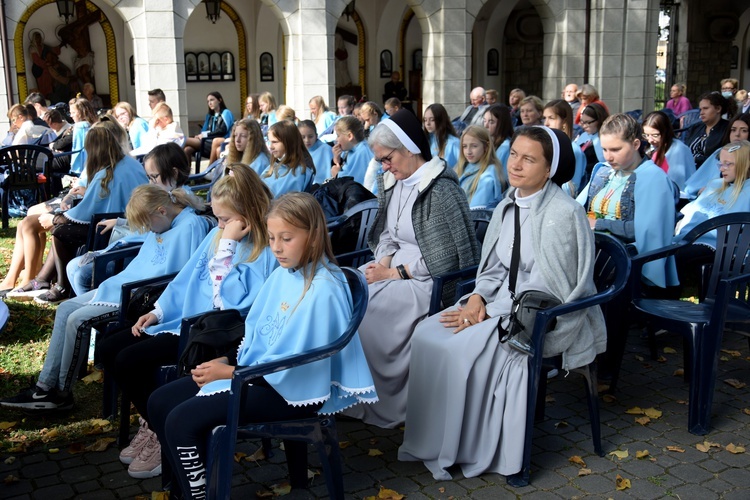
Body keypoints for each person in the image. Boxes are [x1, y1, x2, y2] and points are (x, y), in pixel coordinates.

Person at [398, 125, 604, 480]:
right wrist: (477, 297)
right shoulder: (508, 204)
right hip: (495, 302)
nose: (517, 164)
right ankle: (434, 440)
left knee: (458, 349)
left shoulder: (563, 213)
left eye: (530, 159)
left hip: (537, 315)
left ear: (550, 168)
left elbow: (556, 288)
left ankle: (467, 448)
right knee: (426, 334)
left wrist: (492, 313)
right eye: (515, 154)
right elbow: (492, 267)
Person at [147, 192, 377, 498]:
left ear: (314, 236)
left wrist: (229, 373)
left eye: (286, 238)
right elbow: (259, 337)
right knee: (160, 401)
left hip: (292, 391)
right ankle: (184, 489)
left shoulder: (325, 288)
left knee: (181, 420)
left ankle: (199, 495)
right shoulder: (285, 274)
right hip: (257, 376)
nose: (277, 248)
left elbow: (296, 363)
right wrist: (227, 361)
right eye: (271, 238)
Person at [100, 166, 279, 479]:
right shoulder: (216, 235)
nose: (219, 225)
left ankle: (159, 430)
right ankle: (153, 424)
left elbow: (230, 304)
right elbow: (185, 281)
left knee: (129, 359)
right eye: (218, 218)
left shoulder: (265, 250)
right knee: (108, 347)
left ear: (247, 215)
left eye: (225, 219)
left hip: (212, 336)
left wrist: (229, 246)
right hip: (184, 322)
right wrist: (158, 310)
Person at [0, 185, 208, 412]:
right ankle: (45, 385)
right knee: (64, 309)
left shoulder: (191, 226)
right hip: (124, 286)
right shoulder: (163, 219)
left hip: (140, 296)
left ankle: (60, 393)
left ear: (161, 211)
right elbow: (139, 235)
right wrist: (102, 251)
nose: (149, 229)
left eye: (148, 223)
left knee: (76, 319)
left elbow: (184, 275)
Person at [344, 109, 480, 428]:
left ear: (408, 148)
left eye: (387, 158)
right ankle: (354, 393)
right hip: (396, 268)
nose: (384, 166)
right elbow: (387, 234)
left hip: (428, 281)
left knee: (367, 317)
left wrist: (392, 274)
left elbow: (444, 260)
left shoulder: (442, 189)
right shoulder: (395, 182)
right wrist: (384, 261)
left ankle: (386, 401)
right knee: (346, 297)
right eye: (380, 160)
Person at [33, 125, 149, 303]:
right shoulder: (132, 163)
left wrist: (55, 217)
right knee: (61, 227)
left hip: (114, 230)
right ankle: (43, 279)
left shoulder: (106, 173)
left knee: (60, 231)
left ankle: (61, 287)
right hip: (131, 223)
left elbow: (84, 213)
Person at [66, 143, 194, 297]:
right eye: (149, 177)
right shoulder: (165, 198)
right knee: (72, 266)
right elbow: (150, 225)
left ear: (174, 174)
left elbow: (157, 231)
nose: (150, 183)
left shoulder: (179, 205)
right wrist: (121, 222)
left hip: (144, 260)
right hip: (141, 253)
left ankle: (100, 314)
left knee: (81, 274)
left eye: (154, 177)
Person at [577, 113, 678, 291]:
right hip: (591, 249)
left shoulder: (654, 179)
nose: (608, 157)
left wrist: (599, 224)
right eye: (605, 149)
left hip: (622, 259)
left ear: (636, 144)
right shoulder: (604, 171)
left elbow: (645, 233)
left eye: (616, 150)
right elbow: (578, 209)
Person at [673, 140, 750, 287]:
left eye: (729, 164)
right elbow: (692, 210)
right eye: (720, 164)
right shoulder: (715, 185)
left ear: (744, 164)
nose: (722, 169)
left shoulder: (747, 191)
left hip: (721, 246)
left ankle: (668, 298)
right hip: (692, 237)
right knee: (661, 252)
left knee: (677, 257)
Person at [684, 112, 750, 200]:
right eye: (733, 130)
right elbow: (696, 185)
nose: (737, 134)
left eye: (744, 130)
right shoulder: (719, 152)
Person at [642, 111, 696, 192]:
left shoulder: (678, 149)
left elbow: (676, 183)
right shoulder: (653, 147)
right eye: (646, 135)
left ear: (665, 131)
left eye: (655, 135)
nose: (650, 140)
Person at [455, 125, 507, 207]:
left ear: (486, 147)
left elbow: (476, 213)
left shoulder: (488, 176)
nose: (468, 151)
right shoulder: (462, 167)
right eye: (464, 146)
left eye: (474, 146)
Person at [543, 99, 587, 196]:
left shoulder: (574, 150)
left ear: (564, 122)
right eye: (544, 118)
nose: (546, 123)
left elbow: (572, 188)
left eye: (551, 118)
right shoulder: (543, 147)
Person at [261, 120, 315, 196]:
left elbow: (281, 200)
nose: (271, 147)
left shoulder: (299, 172)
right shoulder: (276, 164)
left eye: (275, 142)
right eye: (270, 142)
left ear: (289, 142)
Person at [183, 92, 234, 168]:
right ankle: (186, 175)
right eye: (208, 101)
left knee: (185, 140)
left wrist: (204, 135)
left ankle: (208, 170)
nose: (210, 103)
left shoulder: (226, 113)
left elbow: (221, 131)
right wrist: (200, 135)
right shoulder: (209, 116)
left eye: (212, 100)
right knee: (187, 149)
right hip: (207, 142)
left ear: (220, 100)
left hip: (219, 142)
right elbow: (204, 131)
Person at [680, 92, 729, 168]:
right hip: (689, 169)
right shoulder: (695, 127)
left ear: (718, 109)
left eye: (705, 108)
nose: (701, 113)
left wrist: (696, 159)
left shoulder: (728, 129)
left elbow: (721, 158)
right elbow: (685, 150)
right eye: (700, 109)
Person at [331, 116, 374, 185]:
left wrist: (337, 175)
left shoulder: (362, 152)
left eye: (338, 135)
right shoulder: (349, 149)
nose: (336, 139)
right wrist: (337, 160)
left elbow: (356, 182)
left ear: (349, 136)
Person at [574, 102, 609, 181]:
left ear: (599, 120)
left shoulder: (606, 138)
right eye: (582, 122)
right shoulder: (583, 136)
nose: (584, 126)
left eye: (588, 122)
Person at [423, 103, 460, 169]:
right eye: (425, 120)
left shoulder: (453, 142)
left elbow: (462, 165)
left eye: (432, 120)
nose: (428, 123)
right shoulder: (425, 140)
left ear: (441, 120)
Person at [298, 119, 333, 184]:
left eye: (310, 136)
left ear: (316, 136)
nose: (307, 140)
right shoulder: (296, 151)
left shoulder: (326, 150)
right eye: (303, 137)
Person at [483, 103, 514, 174]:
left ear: (502, 123)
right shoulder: (489, 142)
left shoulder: (505, 147)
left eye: (491, 122)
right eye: (484, 121)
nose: (486, 125)